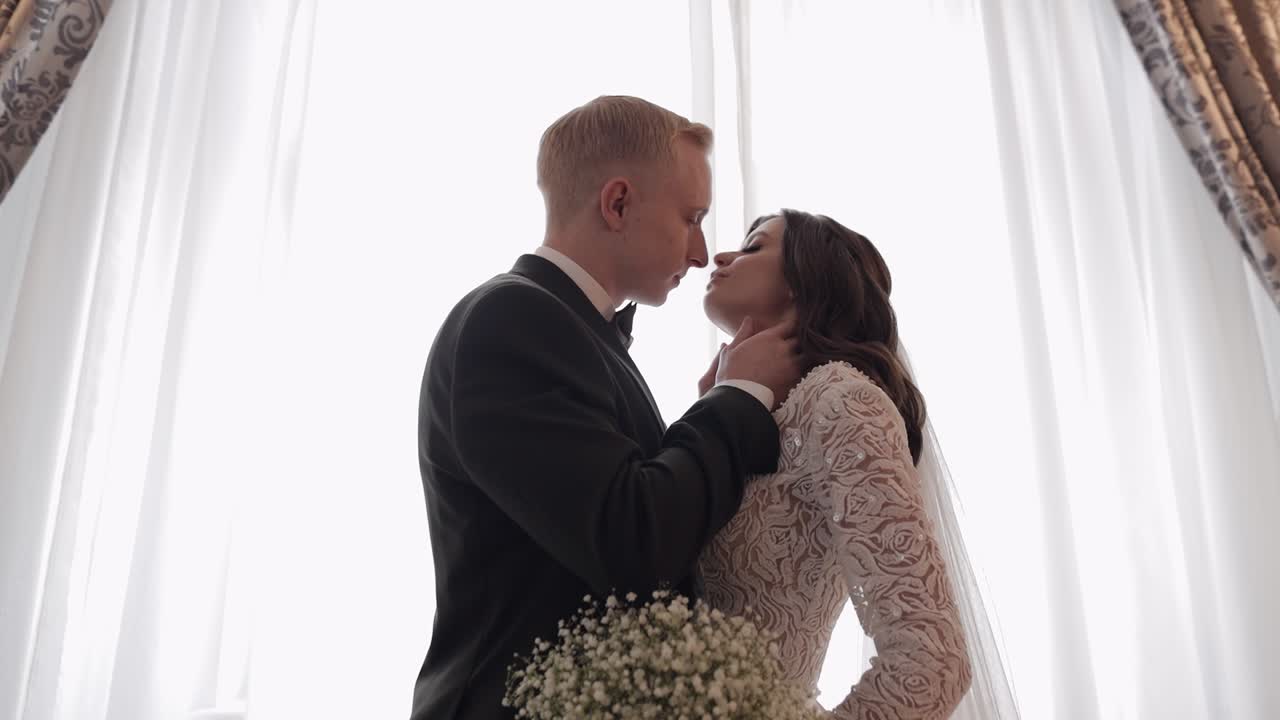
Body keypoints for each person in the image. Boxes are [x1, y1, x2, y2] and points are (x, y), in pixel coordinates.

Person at [410, 96, 803, 720]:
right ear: (617, 202)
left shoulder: (567, 328)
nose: (702, 253)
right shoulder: (510, 321)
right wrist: (737, 400)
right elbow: (633, 542)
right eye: (691, 217)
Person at [698, 209, 1021, 719]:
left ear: (805, 281)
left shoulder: (841, 402)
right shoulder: (742, 411)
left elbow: (934, 658)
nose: (721, 256)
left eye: (754, 246)